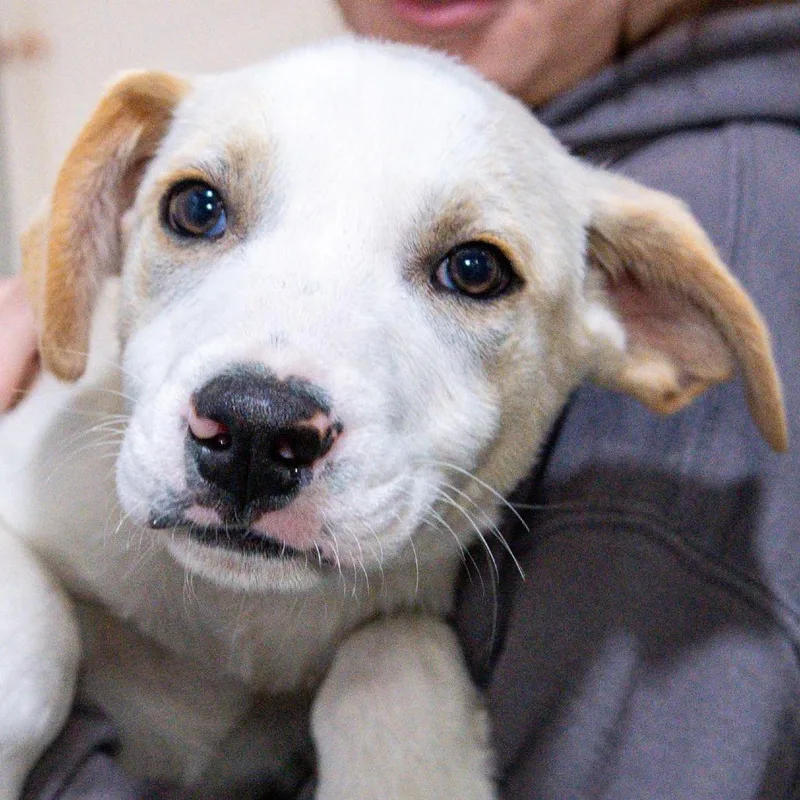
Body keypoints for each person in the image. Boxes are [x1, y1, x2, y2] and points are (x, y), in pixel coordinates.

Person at [4, 1, 799, 797]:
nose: (260, 416)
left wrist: (401, 669)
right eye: (198, 211)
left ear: (640, 314)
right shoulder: (49, 495)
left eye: (471, 271)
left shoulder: (740, 201)